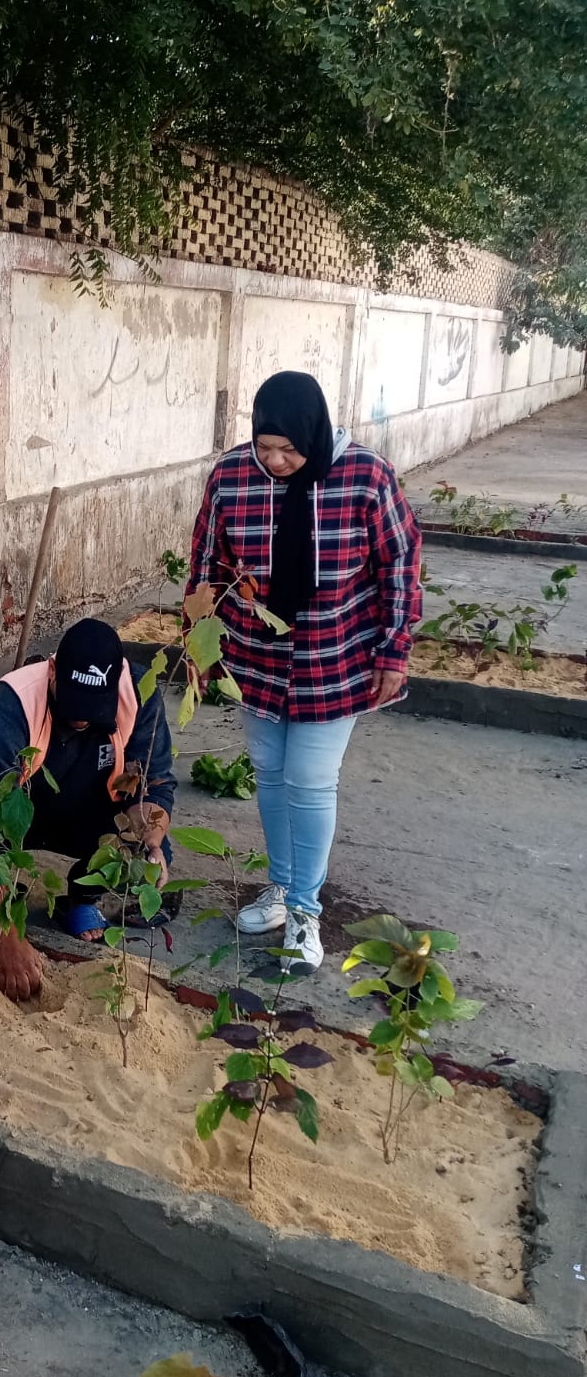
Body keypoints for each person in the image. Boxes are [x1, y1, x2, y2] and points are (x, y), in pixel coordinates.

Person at [187, 370, 421, 973]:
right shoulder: (232, 476)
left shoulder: (365, 476)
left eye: (290, 449)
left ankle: (306, 911)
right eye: (266, 446)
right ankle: (282, 889)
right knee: (269, 772)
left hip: (334, 656)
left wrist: (394, 650)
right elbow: (207, 562)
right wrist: (199, 642)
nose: (277, 460)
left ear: (315, 434)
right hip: (256, 655)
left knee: (311, 779)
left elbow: (401, 562)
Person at [0, 617, 177, 1002]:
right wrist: (9, 941)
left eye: (92, 710)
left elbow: (156, 785)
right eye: (72, 706)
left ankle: (81, 897)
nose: (81, 719)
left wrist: (150, 839)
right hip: (20, 814)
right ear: (52, 671)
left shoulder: (138, 693)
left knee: (146, 862)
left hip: (91, 814)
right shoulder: (15, 698)